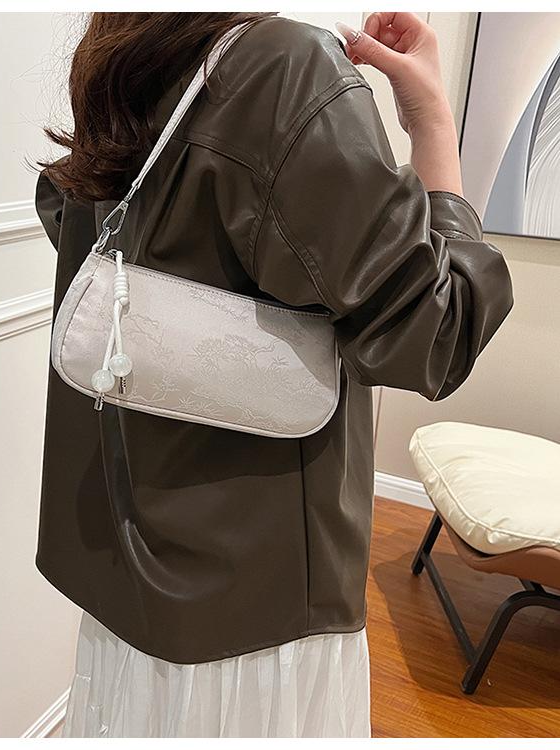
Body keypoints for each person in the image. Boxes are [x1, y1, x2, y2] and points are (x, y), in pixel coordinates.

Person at [34, 12, 513, 738]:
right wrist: (433, 125)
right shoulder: (283, 69)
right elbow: (438, 334)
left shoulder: (128, 51)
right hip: (259, 614)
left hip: (130, 582)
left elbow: (75, 224)